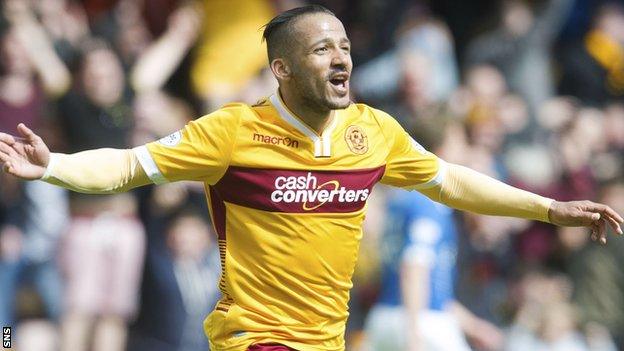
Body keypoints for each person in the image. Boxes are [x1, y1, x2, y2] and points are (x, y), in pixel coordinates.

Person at [0, 5, 622, 351]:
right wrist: (51, 166)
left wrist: (550, 208)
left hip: (328, 342)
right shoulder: (232, 131)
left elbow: (452, 181)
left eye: (345, 45)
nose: (342, 56)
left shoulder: (375, 131)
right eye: (322, 48)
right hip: (254, 340)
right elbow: (131, 165)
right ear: (282, 69)